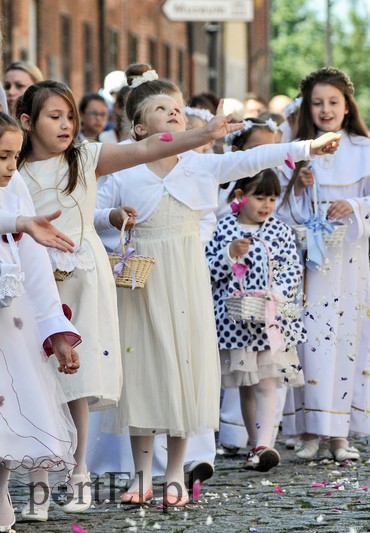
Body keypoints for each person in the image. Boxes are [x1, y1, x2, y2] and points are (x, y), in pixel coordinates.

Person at [94, 72, 339, 506]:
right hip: (142, 282)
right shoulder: (124, 170)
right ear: (139, 128)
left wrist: (308, 148)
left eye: (178, 108)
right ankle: (141, 475)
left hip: (186, 281)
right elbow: (92, 209)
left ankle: (174, 473)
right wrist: (113, 217)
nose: (173, 113)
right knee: (143, 371)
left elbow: (255, 158)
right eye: (161, 110)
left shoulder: (201, 166)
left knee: (184, 370)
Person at [13, 78, 247, 518]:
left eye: (70, 117)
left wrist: (203, 134)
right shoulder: (14, 169)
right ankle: (38, 486)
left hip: (82, 279)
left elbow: (144, 150)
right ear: (26, 122)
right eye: (53, 116)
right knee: (33, 382)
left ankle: (79, 474)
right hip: (31, 283)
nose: (65, 125)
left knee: (76, 383)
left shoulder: (84, 158)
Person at [280, 67, 370, 462]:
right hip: (305, 266)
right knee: (308, 342)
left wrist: (356, 206)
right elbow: (278, 208)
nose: (326, 110)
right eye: (317, 103)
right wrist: (299, 186)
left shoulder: (366, 151)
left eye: (333, 102)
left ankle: (341, 435)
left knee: (346, 340)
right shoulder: (295, 148)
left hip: (346, 262)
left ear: (347, 106)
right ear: (306, 109)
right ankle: (311, 430)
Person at [0, 112, 81, 530]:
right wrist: (18, 223)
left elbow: (34, 267)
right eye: (1, 157)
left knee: (8, 419)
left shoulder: (14, 186)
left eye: (15, 156)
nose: (11, 167)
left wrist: (55, 331)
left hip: (10, 327)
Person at [206, 170, 305, 471]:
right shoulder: (224, 229)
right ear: (240, 196)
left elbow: (291, 269)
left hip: (272, 320)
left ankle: (265, 444)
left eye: (272, 198)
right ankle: (254, 443)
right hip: (237, 321)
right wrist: (230, 255)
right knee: (247, 384)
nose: (267, 205)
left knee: (267, 381)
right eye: (260, 197)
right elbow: (209, 270)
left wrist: (275, 295)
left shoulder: (280, 230)